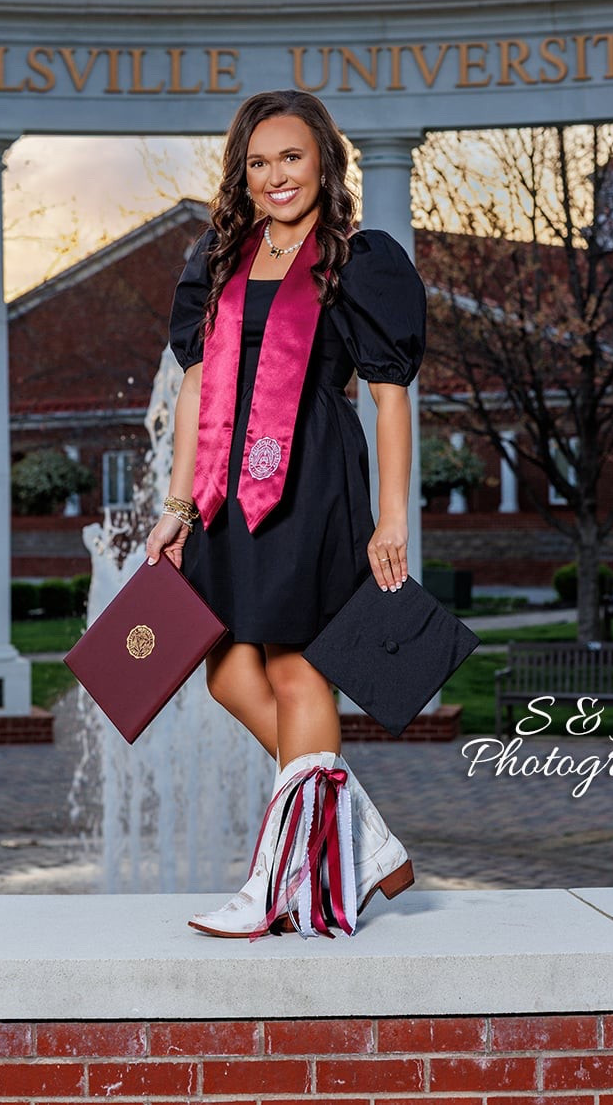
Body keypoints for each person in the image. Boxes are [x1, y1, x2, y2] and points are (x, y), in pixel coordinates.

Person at [145, 89, 426, 938]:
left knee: (299, 670)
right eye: (258, 162)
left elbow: (388, 398)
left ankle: (278, 885)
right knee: (226, 670)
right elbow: (197, 383)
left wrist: (390, 518)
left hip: (311, 478)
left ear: (324, 163)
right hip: (229, 484)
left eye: (291, 158)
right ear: (243, 173)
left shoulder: (357, 258)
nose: (275, 177)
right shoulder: (221, 256)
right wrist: (178, 502)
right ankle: (363, 838)